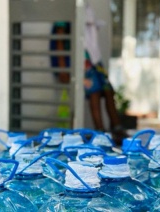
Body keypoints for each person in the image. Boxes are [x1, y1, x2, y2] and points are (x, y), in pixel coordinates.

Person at [50, 5, 127, 145]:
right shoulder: (68, 8)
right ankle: (100, 132)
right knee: (94, 92)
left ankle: (117, 128)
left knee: (109, 91)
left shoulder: (87, 8)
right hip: (79, 61)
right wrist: (62, 68)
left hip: (93, 59)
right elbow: (59, 39)